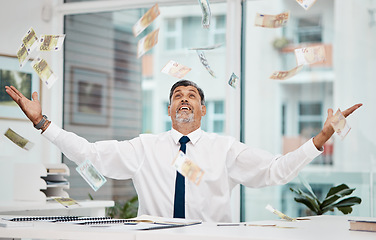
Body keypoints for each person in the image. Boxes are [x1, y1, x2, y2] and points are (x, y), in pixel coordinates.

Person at [5, 80, 362, 222]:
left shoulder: (225, 149)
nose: (185, 100)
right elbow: (90, 155)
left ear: (203, 109)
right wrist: (43, 124)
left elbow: (276, 171)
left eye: (192, 96)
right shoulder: (144, 146)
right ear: (171, 110)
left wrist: (321, 138)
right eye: (178, 96)